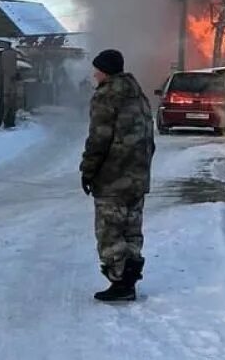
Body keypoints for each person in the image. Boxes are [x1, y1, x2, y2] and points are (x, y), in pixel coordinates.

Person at [80, 49, 155, 303]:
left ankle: (119, 281)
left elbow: (98, 139)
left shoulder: (106, 96)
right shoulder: (139, 95)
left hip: (113, 179)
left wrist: (88, 170)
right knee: (132, 229)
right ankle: (129, 280)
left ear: (107, 71)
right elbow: (149, 139)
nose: (94, 74)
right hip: (138, 178)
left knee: (110, 231)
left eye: (97, 70)